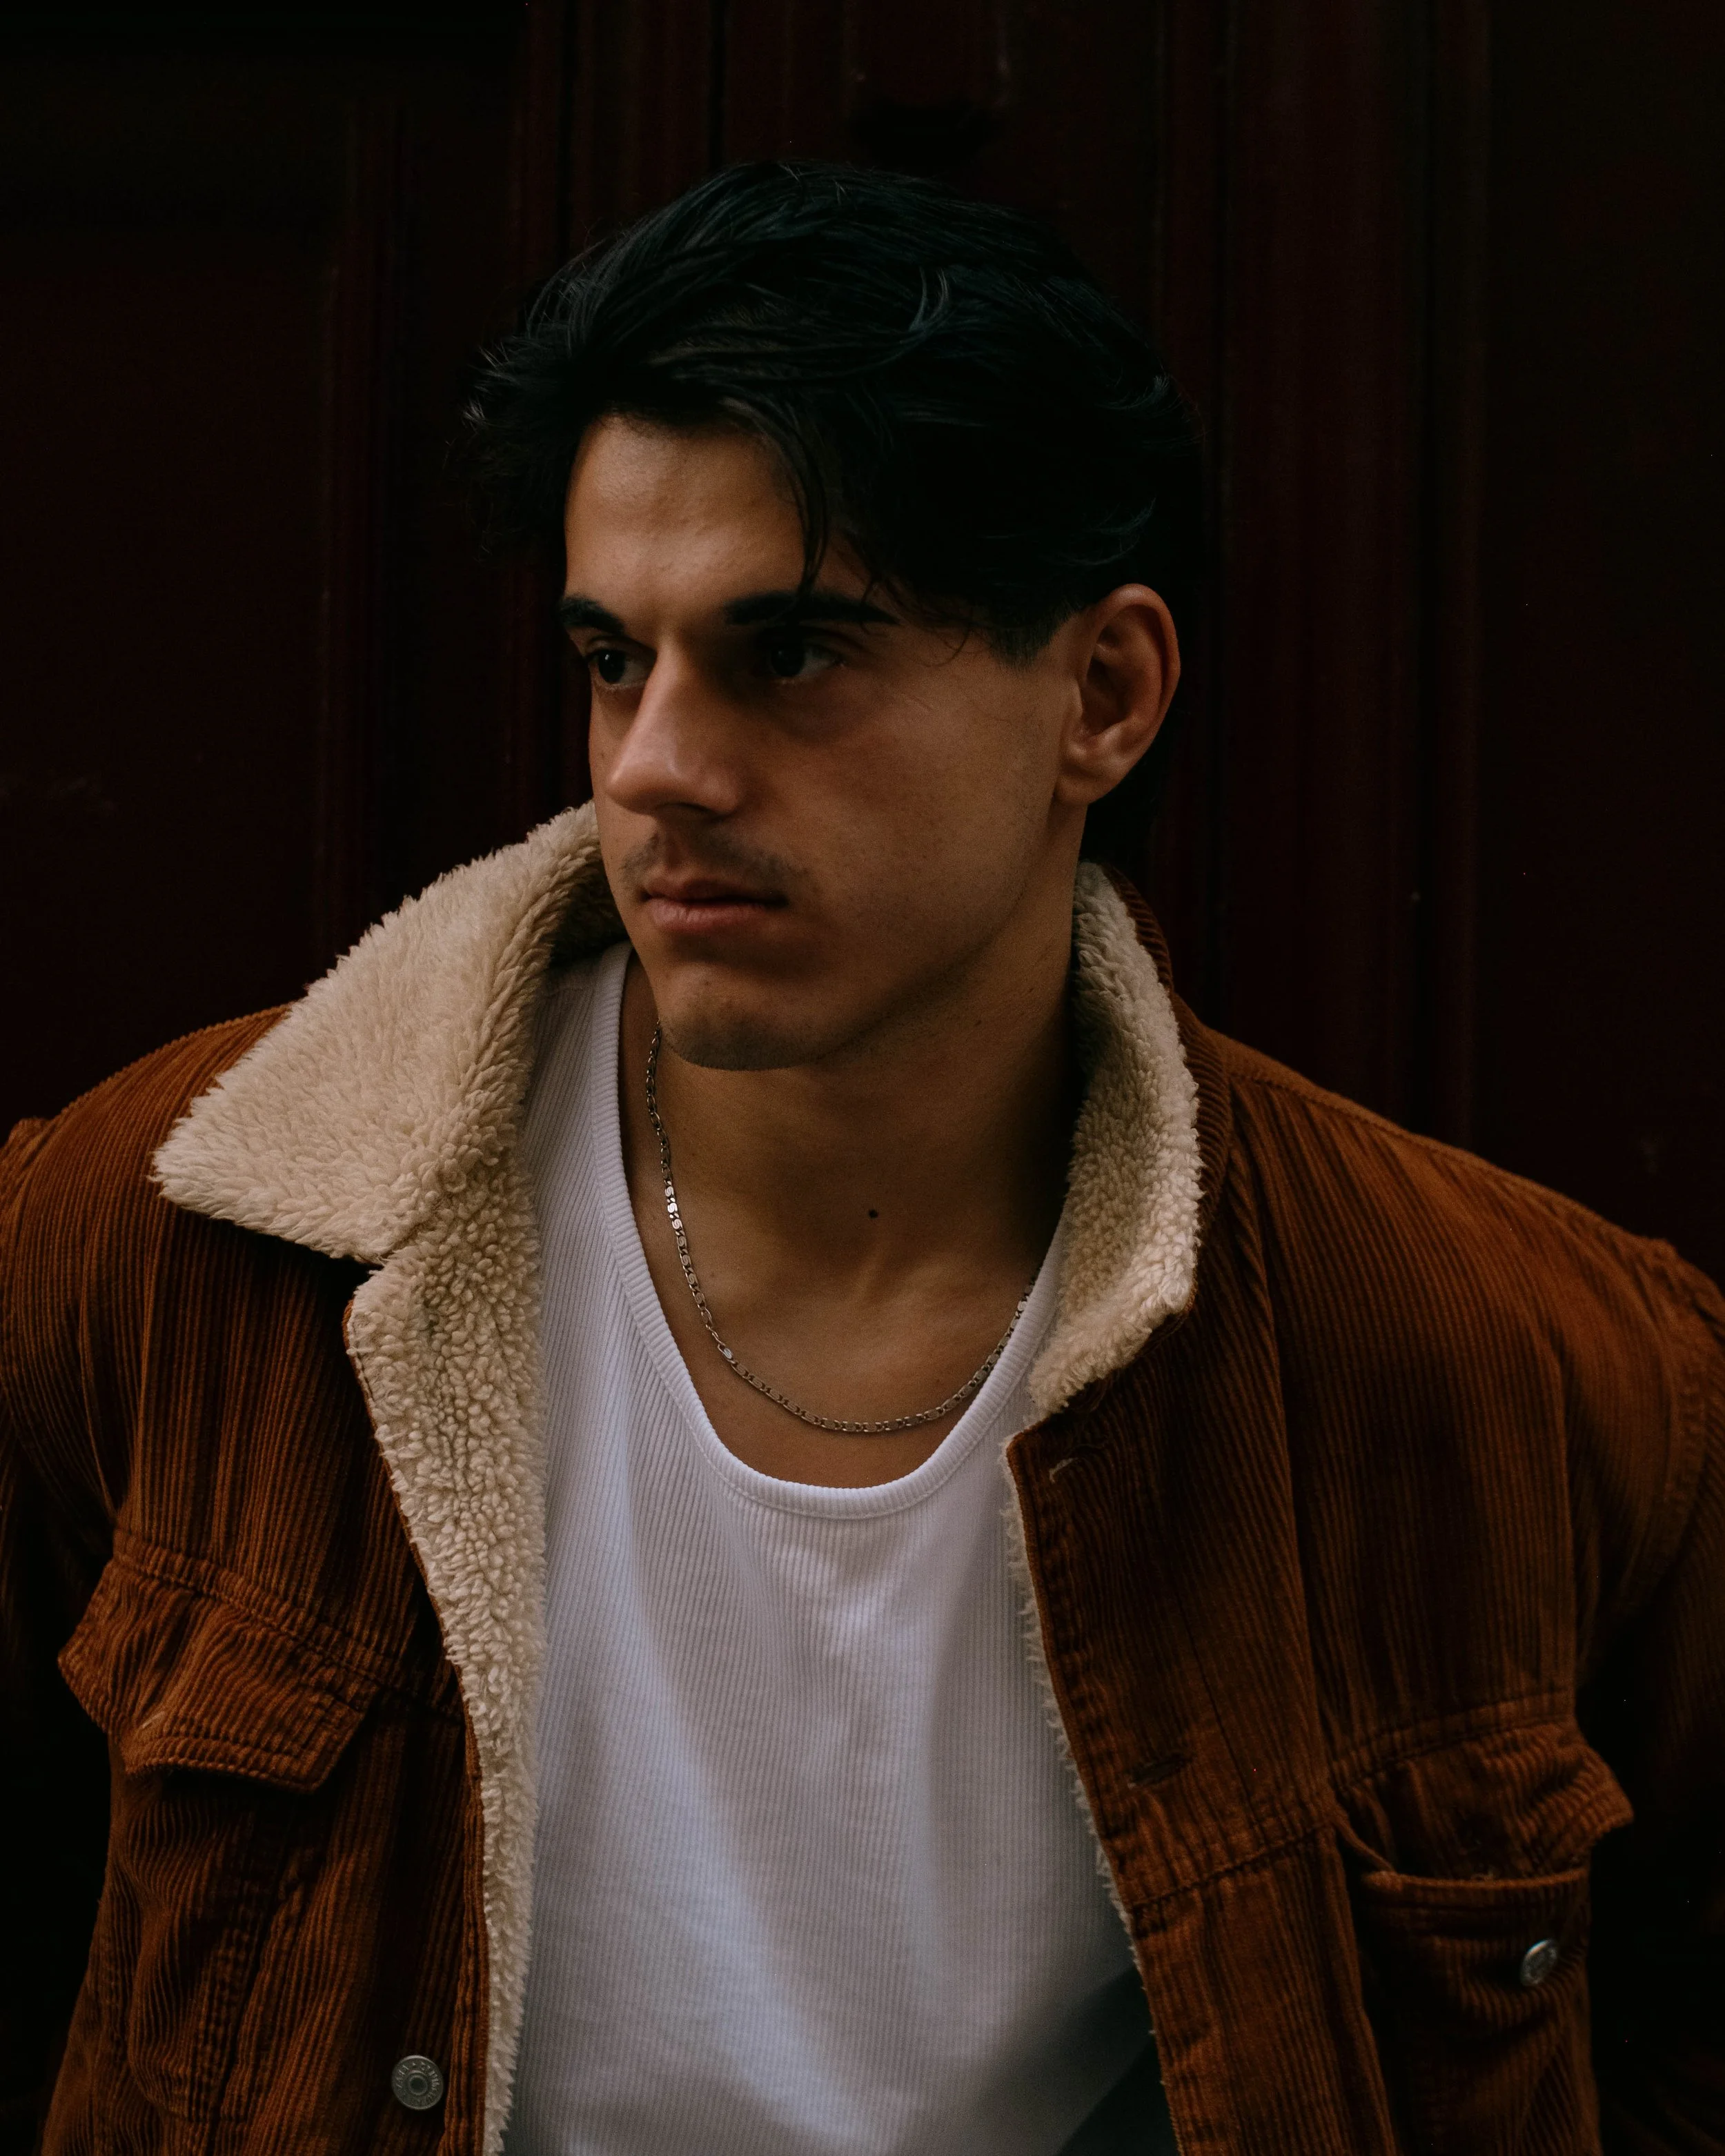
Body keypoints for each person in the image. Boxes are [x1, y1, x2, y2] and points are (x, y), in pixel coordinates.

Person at [1, 160, 1719, 2156]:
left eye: (790, 652)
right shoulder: (178, 1244)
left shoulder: (1512, 1368)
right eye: (610, 658)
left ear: (1102, 694)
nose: (654, 761)